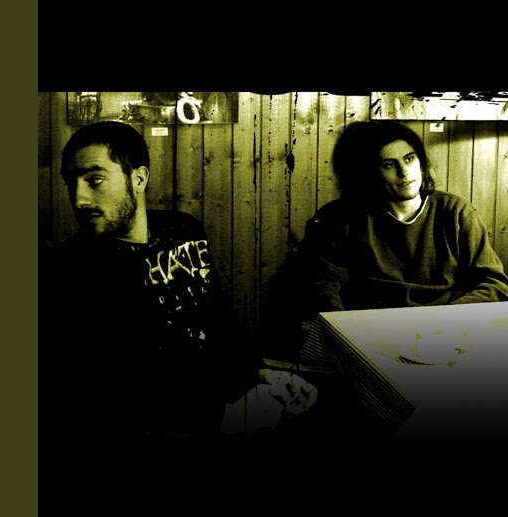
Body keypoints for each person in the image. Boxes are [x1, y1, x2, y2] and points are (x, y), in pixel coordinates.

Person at [42, 121, 316, 456]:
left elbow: (217, 317)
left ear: (138, 179)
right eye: (71, 183)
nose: (79, 199)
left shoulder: (183, 230)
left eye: (94, 180)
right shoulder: (69, 273)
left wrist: (259, 373)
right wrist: (224, 418)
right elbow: (103, 398)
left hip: (231, 397)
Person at [268, 121, 508, 356]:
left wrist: (445, 321)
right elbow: (322, 286)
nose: (404, 172)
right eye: (388, 164)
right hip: (371, 335)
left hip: (444, 333)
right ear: (369, 173)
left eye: (409, 158)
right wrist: (347, 333)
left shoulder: (455, 212)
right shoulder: (339, 219)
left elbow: (494, 284)